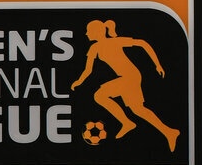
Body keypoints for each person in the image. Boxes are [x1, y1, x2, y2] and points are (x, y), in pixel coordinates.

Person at [71, 19, 180, 152]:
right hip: (127, 78)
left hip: (130, 77)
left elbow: (142, 43)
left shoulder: (114, 41)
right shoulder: (94, 48)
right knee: (138, 109)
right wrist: (79, 81)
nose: (86, 34)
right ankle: (169, 132)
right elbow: (88, 70)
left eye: (88, 31)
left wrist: (157, 64)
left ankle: (127, 123)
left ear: (97, 32)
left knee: (99, 96)